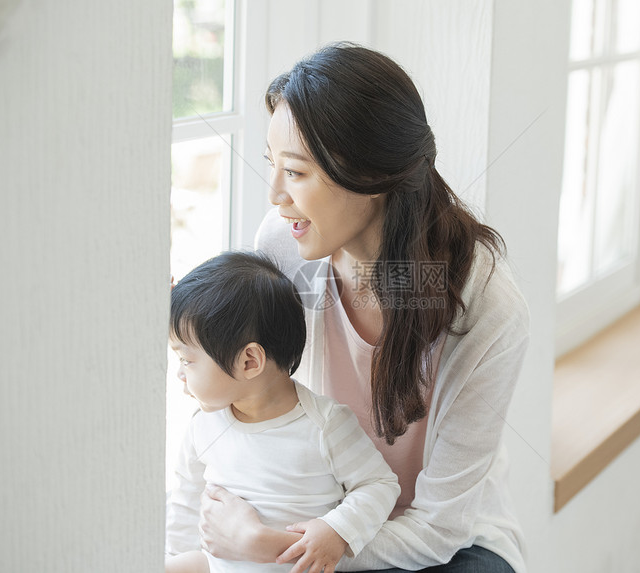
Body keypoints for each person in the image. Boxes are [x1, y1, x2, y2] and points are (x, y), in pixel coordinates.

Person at [198, 43, 530, 573]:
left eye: (297, 173)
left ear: (371, 178)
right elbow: (234, 371)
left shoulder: (483, 305)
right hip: (325, 509)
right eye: (272, 166)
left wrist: (271, 547)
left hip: (449, 543)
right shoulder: (286, 246)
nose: (276, 196)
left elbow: (441, 527)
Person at [165, 251, 400, 573]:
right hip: (215, 563)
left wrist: (337, 530)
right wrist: (175, 554)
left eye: (187, 360)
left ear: (249, 362)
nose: (180, 373)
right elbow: (186, 501)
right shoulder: (203, 425)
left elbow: (379, 484)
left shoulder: (324, 425)